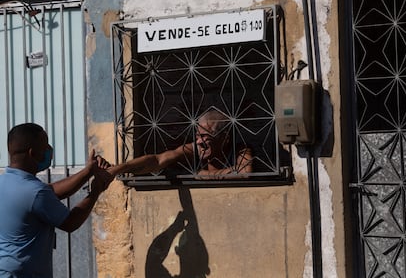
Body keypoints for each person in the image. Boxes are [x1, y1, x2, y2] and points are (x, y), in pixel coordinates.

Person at [0, 123, 113, 277]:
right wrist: (96, 191)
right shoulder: (35, 192)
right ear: (32, 153)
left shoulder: (7, 183)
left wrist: (88, 171)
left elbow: (50, 192)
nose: (49, 150)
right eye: (44, 146)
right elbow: (71, 222)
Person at [110, 109, 253, 179]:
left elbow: (245, 173)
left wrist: (203, 175)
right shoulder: (194, 149)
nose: (199, 142)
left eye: (205, 136)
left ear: (224, 138)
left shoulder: (240, 150)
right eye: (197, 136)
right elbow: (158, 160)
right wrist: (119, 169)